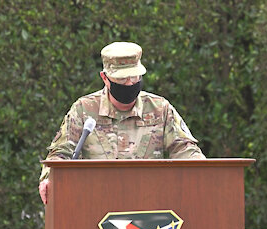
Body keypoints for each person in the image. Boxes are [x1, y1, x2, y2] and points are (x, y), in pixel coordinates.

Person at [38, 42, 205, 204]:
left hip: (150, 204)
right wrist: (48, 179)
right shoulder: (84, 110)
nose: (130, 83)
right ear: (105, 77)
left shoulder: (159, 109)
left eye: (134, 76)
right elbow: (60, 153)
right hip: (95, 204)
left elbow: (185, 148)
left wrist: (204, 172)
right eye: (123, 78)